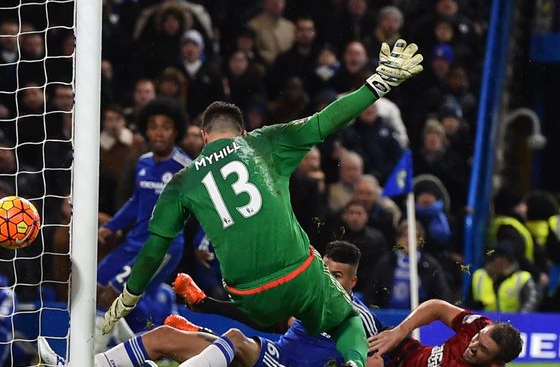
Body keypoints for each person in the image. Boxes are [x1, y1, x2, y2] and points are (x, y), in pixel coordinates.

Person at [102, 40, 425, 367]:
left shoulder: (182, 181)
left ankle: (94, 361)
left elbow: (155, 248)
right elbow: (326, 120)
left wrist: (130, 295)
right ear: (242, 131)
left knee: (224, 339)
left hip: (246, 294)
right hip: (296, 275)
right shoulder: (263, 142)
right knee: (346, 320)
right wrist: (378, 83)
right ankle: (354, 364)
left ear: (203, 136)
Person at [40, 241, 384, 367]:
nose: (330, 280)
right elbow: (264, 318)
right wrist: (205, 305)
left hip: (274, 360)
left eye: (338, 276)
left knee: (234, 337)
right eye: (326, 271)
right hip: (269, 355)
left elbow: (380, 359)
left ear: (353, 282)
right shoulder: (310, 297)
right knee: (163, 337)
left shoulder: (359, 319)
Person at [96, 98, 192, 332]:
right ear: (146, 130)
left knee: (113, 296)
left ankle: (92, 356)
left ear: (176, 131)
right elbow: (135, 201)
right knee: (95, 288)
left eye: (166, 127)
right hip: (134, 240)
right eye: (153, 126)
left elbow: (200, 208)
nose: (159, 133)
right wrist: (111, 226)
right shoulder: (143, 163)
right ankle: (131, 345)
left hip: (162, 246)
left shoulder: (186, 168)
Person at [368, 299, 523, 367]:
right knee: (352, 312)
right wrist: (400, 332)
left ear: (496, 364)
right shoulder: (479, 325)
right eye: (478, 338)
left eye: (483, 349)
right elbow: (437, 308)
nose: (473, 346)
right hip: (404, 351)